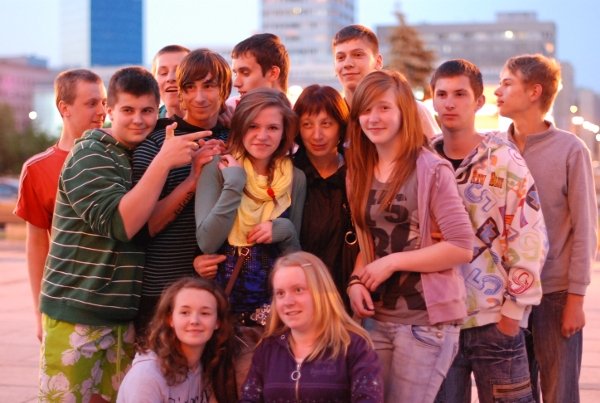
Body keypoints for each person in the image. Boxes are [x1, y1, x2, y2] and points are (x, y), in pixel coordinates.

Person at [38, 67, 206, 403]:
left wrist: (192, 180)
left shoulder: (132, 154)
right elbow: (122, 224)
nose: (138, 120)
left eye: (147, 111)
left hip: (121, 319)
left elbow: (146, 226)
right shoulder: (91, 153)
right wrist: (163, 162)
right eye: (128, 110)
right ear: (109, 110)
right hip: (77, 315)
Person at [345, 70, 473, 403]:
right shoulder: (359, 170)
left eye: (384, 108)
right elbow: (370, 242)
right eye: (366, 110)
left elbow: (461, 247)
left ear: (403, 111)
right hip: (377, 319)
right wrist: (356, 281)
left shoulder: (430, 169)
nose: (374, 118)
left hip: (424, 322)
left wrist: (392, 263)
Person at [429, 59, 547, 403]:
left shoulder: (504, 160)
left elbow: (529, 234)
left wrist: (513, 313)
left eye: (460, 94)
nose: (450, 103)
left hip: (495, 319)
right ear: (432, 100)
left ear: (479, 101)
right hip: (438, 323)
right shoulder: (424, 159)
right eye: (442, 94)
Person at [496, 54, 597, 403]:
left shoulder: (571, 149)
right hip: (506, 296)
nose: (497, 91)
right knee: (513, 395)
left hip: (555, 296)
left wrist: (576, 299)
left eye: (507, 83)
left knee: (560, 394)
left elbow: (585, 229)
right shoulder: (495, 148)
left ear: (534, 91)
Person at [195, 88, 306, 392]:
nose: (262, 136)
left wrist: (284, 230)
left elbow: (295, 259)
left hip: (276, 315)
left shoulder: (295, 178)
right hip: (226, 312)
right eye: (253, 126)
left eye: (273, 127)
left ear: (285, 132)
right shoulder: (219, 169)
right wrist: (234, 184)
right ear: (241, 126)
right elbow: (207, 242)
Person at [132, 48, 232, 340]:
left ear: (224, 90)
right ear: (180, 92)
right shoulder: (156, 144)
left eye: (209, 86)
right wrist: (193, 180)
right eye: (190, 87)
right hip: (161, 293)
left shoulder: (236, 140)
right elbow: (145, 227)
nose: (199, 97)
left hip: (218, 294)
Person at [14, 69, 106, 341]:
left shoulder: (121, 158)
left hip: (118, 304)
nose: (101, 111)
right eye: (91, 103)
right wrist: (39, 312)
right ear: (64, 108)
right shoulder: (37, 169)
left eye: (103, 102)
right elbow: (37, 245)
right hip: (65, 304)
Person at [240, 251, 383, 402]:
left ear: (322, 293)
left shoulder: (355, 347)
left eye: (298, 290)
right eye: (280, 293)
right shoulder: (267, 349)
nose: (288, 302)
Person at [117, 277, 237, 403]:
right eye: (185, 312)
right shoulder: (147, 376)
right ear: (170, 319)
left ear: (218, 322)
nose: (194, 321)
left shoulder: (209, 366)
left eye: (205, 313)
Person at [292, 84, 359, 310]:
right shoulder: (286, 176)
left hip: (348, 295)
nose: (317, 135)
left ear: (341, 126)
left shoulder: (357, 174)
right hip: (299, 296)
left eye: (326, 124)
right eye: (307, 125)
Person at [332, 24, 440, 137]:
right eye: (340, 57)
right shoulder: (331, 116)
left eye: (358, 55)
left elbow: (436, 147)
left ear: (378, 62)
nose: (347, 64)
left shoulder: (411, 110)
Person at [229, 33, 289, 103]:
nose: (236, 83)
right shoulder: (230, 107)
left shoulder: (298, 112)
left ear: (273, 73)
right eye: (235, 74)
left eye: (245, 73)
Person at [151, 44, 190, 118]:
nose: (170, 78)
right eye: (163, 73)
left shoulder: (211, 121)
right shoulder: (147, 122)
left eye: (179, 72)